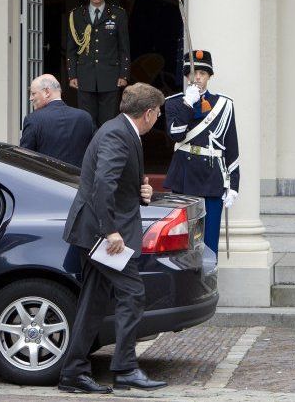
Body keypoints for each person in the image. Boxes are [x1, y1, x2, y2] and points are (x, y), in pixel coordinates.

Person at [59, 83, 168, 393]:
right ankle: (125, 368)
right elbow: (103, 185)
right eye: (157, 113)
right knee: (132, 294)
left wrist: (141, 192)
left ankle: (73, 372)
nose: (157, 118)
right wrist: (111, 232)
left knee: (93, 302)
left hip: (96, 231)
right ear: (148, 113)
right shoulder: (118, 134)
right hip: (102, 235)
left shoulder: (118, 130)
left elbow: (114, 183)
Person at [163, 50, 240, 256]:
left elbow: (231, 146)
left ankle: (209, 281)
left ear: (209, 76)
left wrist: (234, 185)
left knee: (209, 241)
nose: (198, 78)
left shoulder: (224, 105)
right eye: (194, 73)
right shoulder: (174, 102)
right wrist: (188, 104)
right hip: (184, 176)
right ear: (187, 75)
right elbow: (175, 134)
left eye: (203, 73)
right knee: (183, 240)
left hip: (212, 177)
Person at [66, 0, 131, 128]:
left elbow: (124, 48)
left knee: (108, 122)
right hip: (84, 77)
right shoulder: (76, 15)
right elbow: (71, 49)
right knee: (86, 121)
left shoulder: (118, 14)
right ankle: (89, 151)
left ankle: (105, 151)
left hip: (110, 77)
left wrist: (124, 74)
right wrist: (72, 75)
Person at [19, 74, 94, 167]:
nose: (30, 98)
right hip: (78, 179)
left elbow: (24, 158)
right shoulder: (85, 117)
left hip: (47, 179)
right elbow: (94, 153)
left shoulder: (33, 119)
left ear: (47, 92)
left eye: (33, 93)